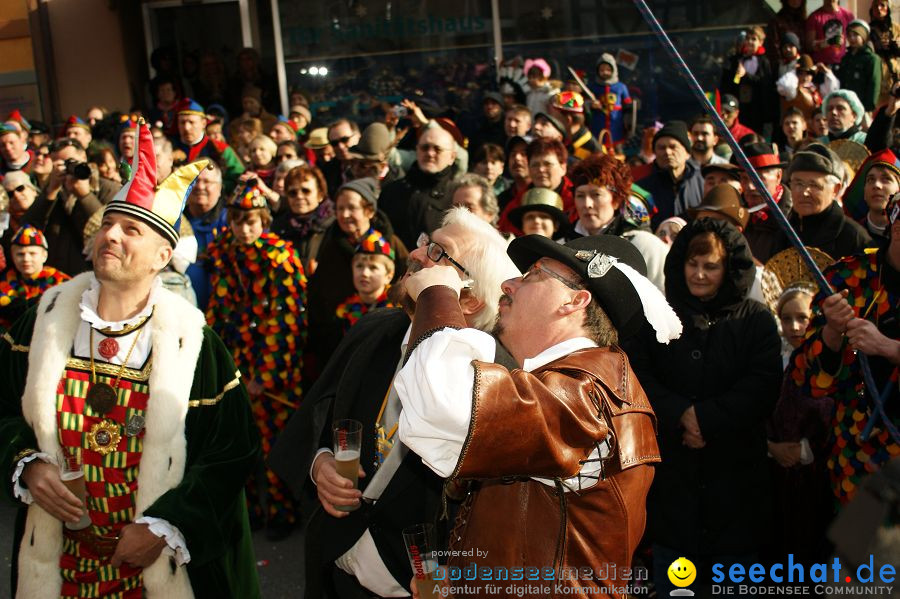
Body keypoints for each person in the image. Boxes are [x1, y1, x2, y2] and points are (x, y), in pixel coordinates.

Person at [0, 119, 260, 598]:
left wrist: (165, 525)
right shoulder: (39, 322)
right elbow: (0, 409)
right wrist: (27, 463)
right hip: (59, 563)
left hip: (155, 566)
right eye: (109, 225)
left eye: (131, 229)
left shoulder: (197, 344)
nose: (111, 236)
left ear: (163, 256)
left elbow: (232, 454)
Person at [397, 231, 681, 597]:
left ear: (575, 301)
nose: (508, 284)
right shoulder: (562, 383)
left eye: (531, 275)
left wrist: (437, 294)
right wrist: (465, 581)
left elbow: (439, 403)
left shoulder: (587, 393)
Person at [269, 207, 520, 599]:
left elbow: (491, 513)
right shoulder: (374, 328)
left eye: (439, 254)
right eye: (426, 243)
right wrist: (320, 462)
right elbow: (321, 409)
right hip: (335, 561)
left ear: (468, 300)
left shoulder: (495, 378)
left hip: (418, 584)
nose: (417, 255)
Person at [623, 218, 783, 598]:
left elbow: (762, 386)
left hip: (737, 485)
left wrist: (705, 420)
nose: (699, 274)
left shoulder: (756, 320)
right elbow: (639, 375)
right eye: (693, 264)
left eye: (710, 266)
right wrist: (681, 413)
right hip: (674, 487)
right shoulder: (657, 316)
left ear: (729, 268)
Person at [205, 179, 307, 540]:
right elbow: (217, 310)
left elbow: (287, 322)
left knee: (274, 443)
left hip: (272, 365)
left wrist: (266, 375)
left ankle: (283, 510)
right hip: (237, 361)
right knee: (239, 438)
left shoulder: (280, 256)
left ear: (264, 221)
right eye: (237, 221)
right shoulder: (223, 254)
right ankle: (250, 509)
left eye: (252, 221)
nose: (244, 228)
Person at [790, 193, 900, 506]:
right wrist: (831, 333)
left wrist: (890, 348)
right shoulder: (848, 278)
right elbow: (806, 379)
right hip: (862, 455)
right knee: (862, 552)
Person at [765, 285, 834, 566]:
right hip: (775, 476)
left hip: (819, 478)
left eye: (802, 318)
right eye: (786, 318)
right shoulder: (773, 364)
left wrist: (807, 450)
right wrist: (771, 447)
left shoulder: (829, 364)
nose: (794, 326)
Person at [778, 143, 872, 258]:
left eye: (814, 185)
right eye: (798, 183)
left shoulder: (853, 237)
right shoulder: (785, 229)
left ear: (835, 189)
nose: (804, 192)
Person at [378, 122, 459, 249]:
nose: (430, 153)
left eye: (437, 149)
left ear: (452, 157)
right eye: (424, 147)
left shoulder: (459, 196)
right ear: (417, 150)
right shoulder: (392, 191)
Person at [637, 121, 705, 230]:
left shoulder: (704, 183)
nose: (667, 152)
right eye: (661, 148)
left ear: (687, 153)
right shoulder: (640, 189)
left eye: (673, 147)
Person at [0, 225, 70, 331]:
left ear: (44, 256)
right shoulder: (5, 281)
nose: (26, 259)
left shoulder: (61, 282)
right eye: (20, 254)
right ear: (12, 256)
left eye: (32, 253)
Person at [271, 164, 335, 276]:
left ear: (320, 194)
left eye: (306, 191)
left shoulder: (335, 225)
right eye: (292, 193)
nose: (299, 196)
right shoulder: (278, 227)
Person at [173, 98, 245, 194]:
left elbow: (238, 178)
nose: (186, 128)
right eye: (182, 122)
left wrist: (216, 186)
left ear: (203, 123)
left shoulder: (220, 149)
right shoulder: (169, 148)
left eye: (191, 122)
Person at [738, 143, 795, 262]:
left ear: (778, 176)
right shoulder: (736, 213)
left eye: (758, 179)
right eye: (744, 178)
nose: (750, 187)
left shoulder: (793, 216)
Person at [335, 230, 397, 333]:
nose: (364, 273)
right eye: (359, 266)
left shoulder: (398, 310)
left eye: (373, 268)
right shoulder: (344, 311)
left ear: (388, 276)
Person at [720, 26, 774, 135]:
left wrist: (746, 75)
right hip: (741, 106)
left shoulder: (764, 62)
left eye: (753, 39)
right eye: (748, 38)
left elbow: (765, 84)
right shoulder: (737, 59)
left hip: (757, 109)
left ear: (761, 42)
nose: (749, 42)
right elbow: (729, 83)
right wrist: (736, 76)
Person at [841, 149, 900, 243]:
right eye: (870, 179)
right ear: (864, 193)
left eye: (886, 179)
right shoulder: (847, 235)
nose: (876, 185)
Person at [588, 53, 633, 150]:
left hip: (617, 125)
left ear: (613, 70)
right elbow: (584, 103)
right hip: (598, 125)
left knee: (618, 151)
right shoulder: (593, 87)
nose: (605, 72)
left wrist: (628, 124)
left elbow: (628, 106)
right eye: (602, 70)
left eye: (608, 69)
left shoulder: (621, 87)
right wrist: (591, 105)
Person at [837, 20, 883, 112]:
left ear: (864, 36)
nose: (852, 38)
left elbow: (874, 85)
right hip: (845, 107)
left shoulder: (872, 59)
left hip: (862, 107)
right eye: (849, 35)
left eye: (855, 35)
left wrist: (868, 108)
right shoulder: (846, 58)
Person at [551, 91, 602, 160]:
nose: (552, 121)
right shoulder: (563, 140)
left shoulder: (592, 150)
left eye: (555, 118)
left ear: (568, 119)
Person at [806, 0, 855, 66]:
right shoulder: (814, 17)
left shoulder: (848, 15)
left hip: (842, 64)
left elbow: (855, 39)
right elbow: (809, 45)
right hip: (821, 65)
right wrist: (828, 42)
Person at [0, 114, 34, 179]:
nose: (8, 148)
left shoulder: (36, 161)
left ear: (21, 140)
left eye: (11, 143)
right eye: (3, 145)